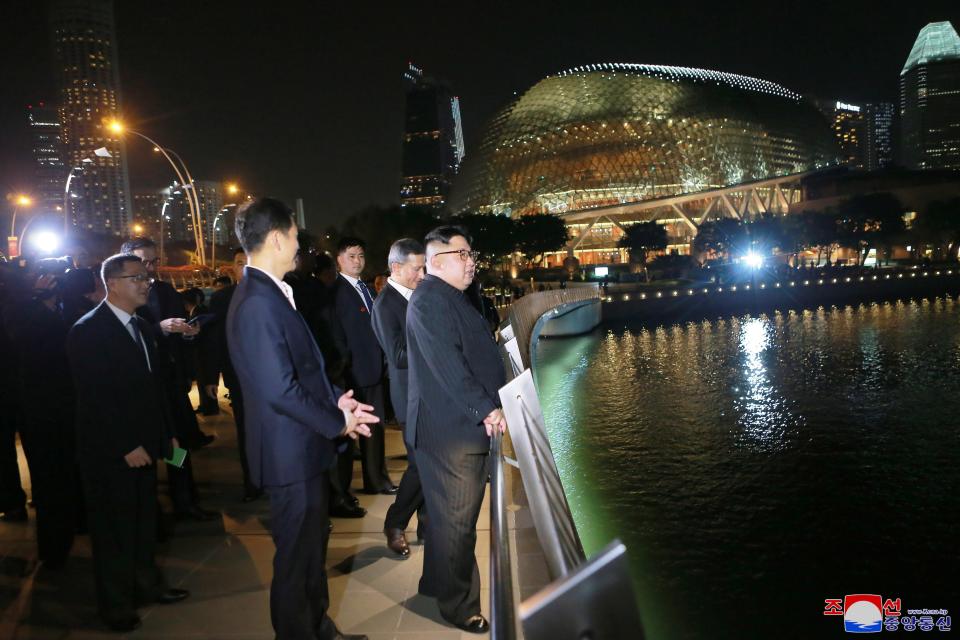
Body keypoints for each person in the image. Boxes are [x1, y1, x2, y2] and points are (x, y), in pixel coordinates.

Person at [226, 197, 375, 640]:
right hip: (288, 453)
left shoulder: (274, 291)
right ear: (275, 238)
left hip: (303, 447)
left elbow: (306, 367)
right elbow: (279, 388)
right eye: (294, 237)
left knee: (312, 553)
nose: (300, 247)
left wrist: (338, 401)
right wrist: (337, 421)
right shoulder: (255, 301)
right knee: (295, 561)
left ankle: (319, 629)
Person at [65, 254, 189, 632]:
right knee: (114, 530)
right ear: (113, 283)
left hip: (147, 445)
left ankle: (147, 585)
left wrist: (165, 433)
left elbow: (154, 390)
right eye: (136, 277)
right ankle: (115, 605)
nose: (146, 283)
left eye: (146, 276)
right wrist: (126, 444)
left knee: (143, 522)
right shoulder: (88, 331)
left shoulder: (142, 327)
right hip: (112, 453)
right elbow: (95, 398)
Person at [406, 226, 507, 633]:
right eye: (462, 255)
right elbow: (448, 365)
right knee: (457, 524)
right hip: (450, 432)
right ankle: (458, 606)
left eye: (471, 254)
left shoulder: (448, 297)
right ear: (437, 261)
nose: (471, 261)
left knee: (447, 520)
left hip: (451, 426)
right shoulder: (431, 301)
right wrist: (486, 409)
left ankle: (435, 585)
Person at [121, 238, 216, 522]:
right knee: (146, 448)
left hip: (171, 383)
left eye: (153, 261)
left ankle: (184, 499)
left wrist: (188, 333)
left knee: (179, 445)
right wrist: (157, 329)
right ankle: (149, 511)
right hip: (141, 386)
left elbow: (180, 335)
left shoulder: (166, 292)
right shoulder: (119, 297)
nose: (150, 268)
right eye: (143, 262)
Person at [371, 239, 427, 559]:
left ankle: (427, 524)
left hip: (427, 395)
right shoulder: (385, 305)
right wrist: (435, 339)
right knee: (420, 465)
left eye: (423, 267)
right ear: (396, 268)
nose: (422, 274)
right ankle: (395, 523)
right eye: (416, 268)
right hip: (409, 398)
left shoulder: (416, 296)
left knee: (430, 462)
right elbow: (398, 355)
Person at [330, 238, 396, 496]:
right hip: (354, 374)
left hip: (373, 370)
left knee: (375, 429)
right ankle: (355, 486)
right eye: (351, 256)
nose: (357, 261)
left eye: (360, 256)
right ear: (339, 260)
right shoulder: (337, 292)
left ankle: (377, 479)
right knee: (359, 431)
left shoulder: (366, 289)